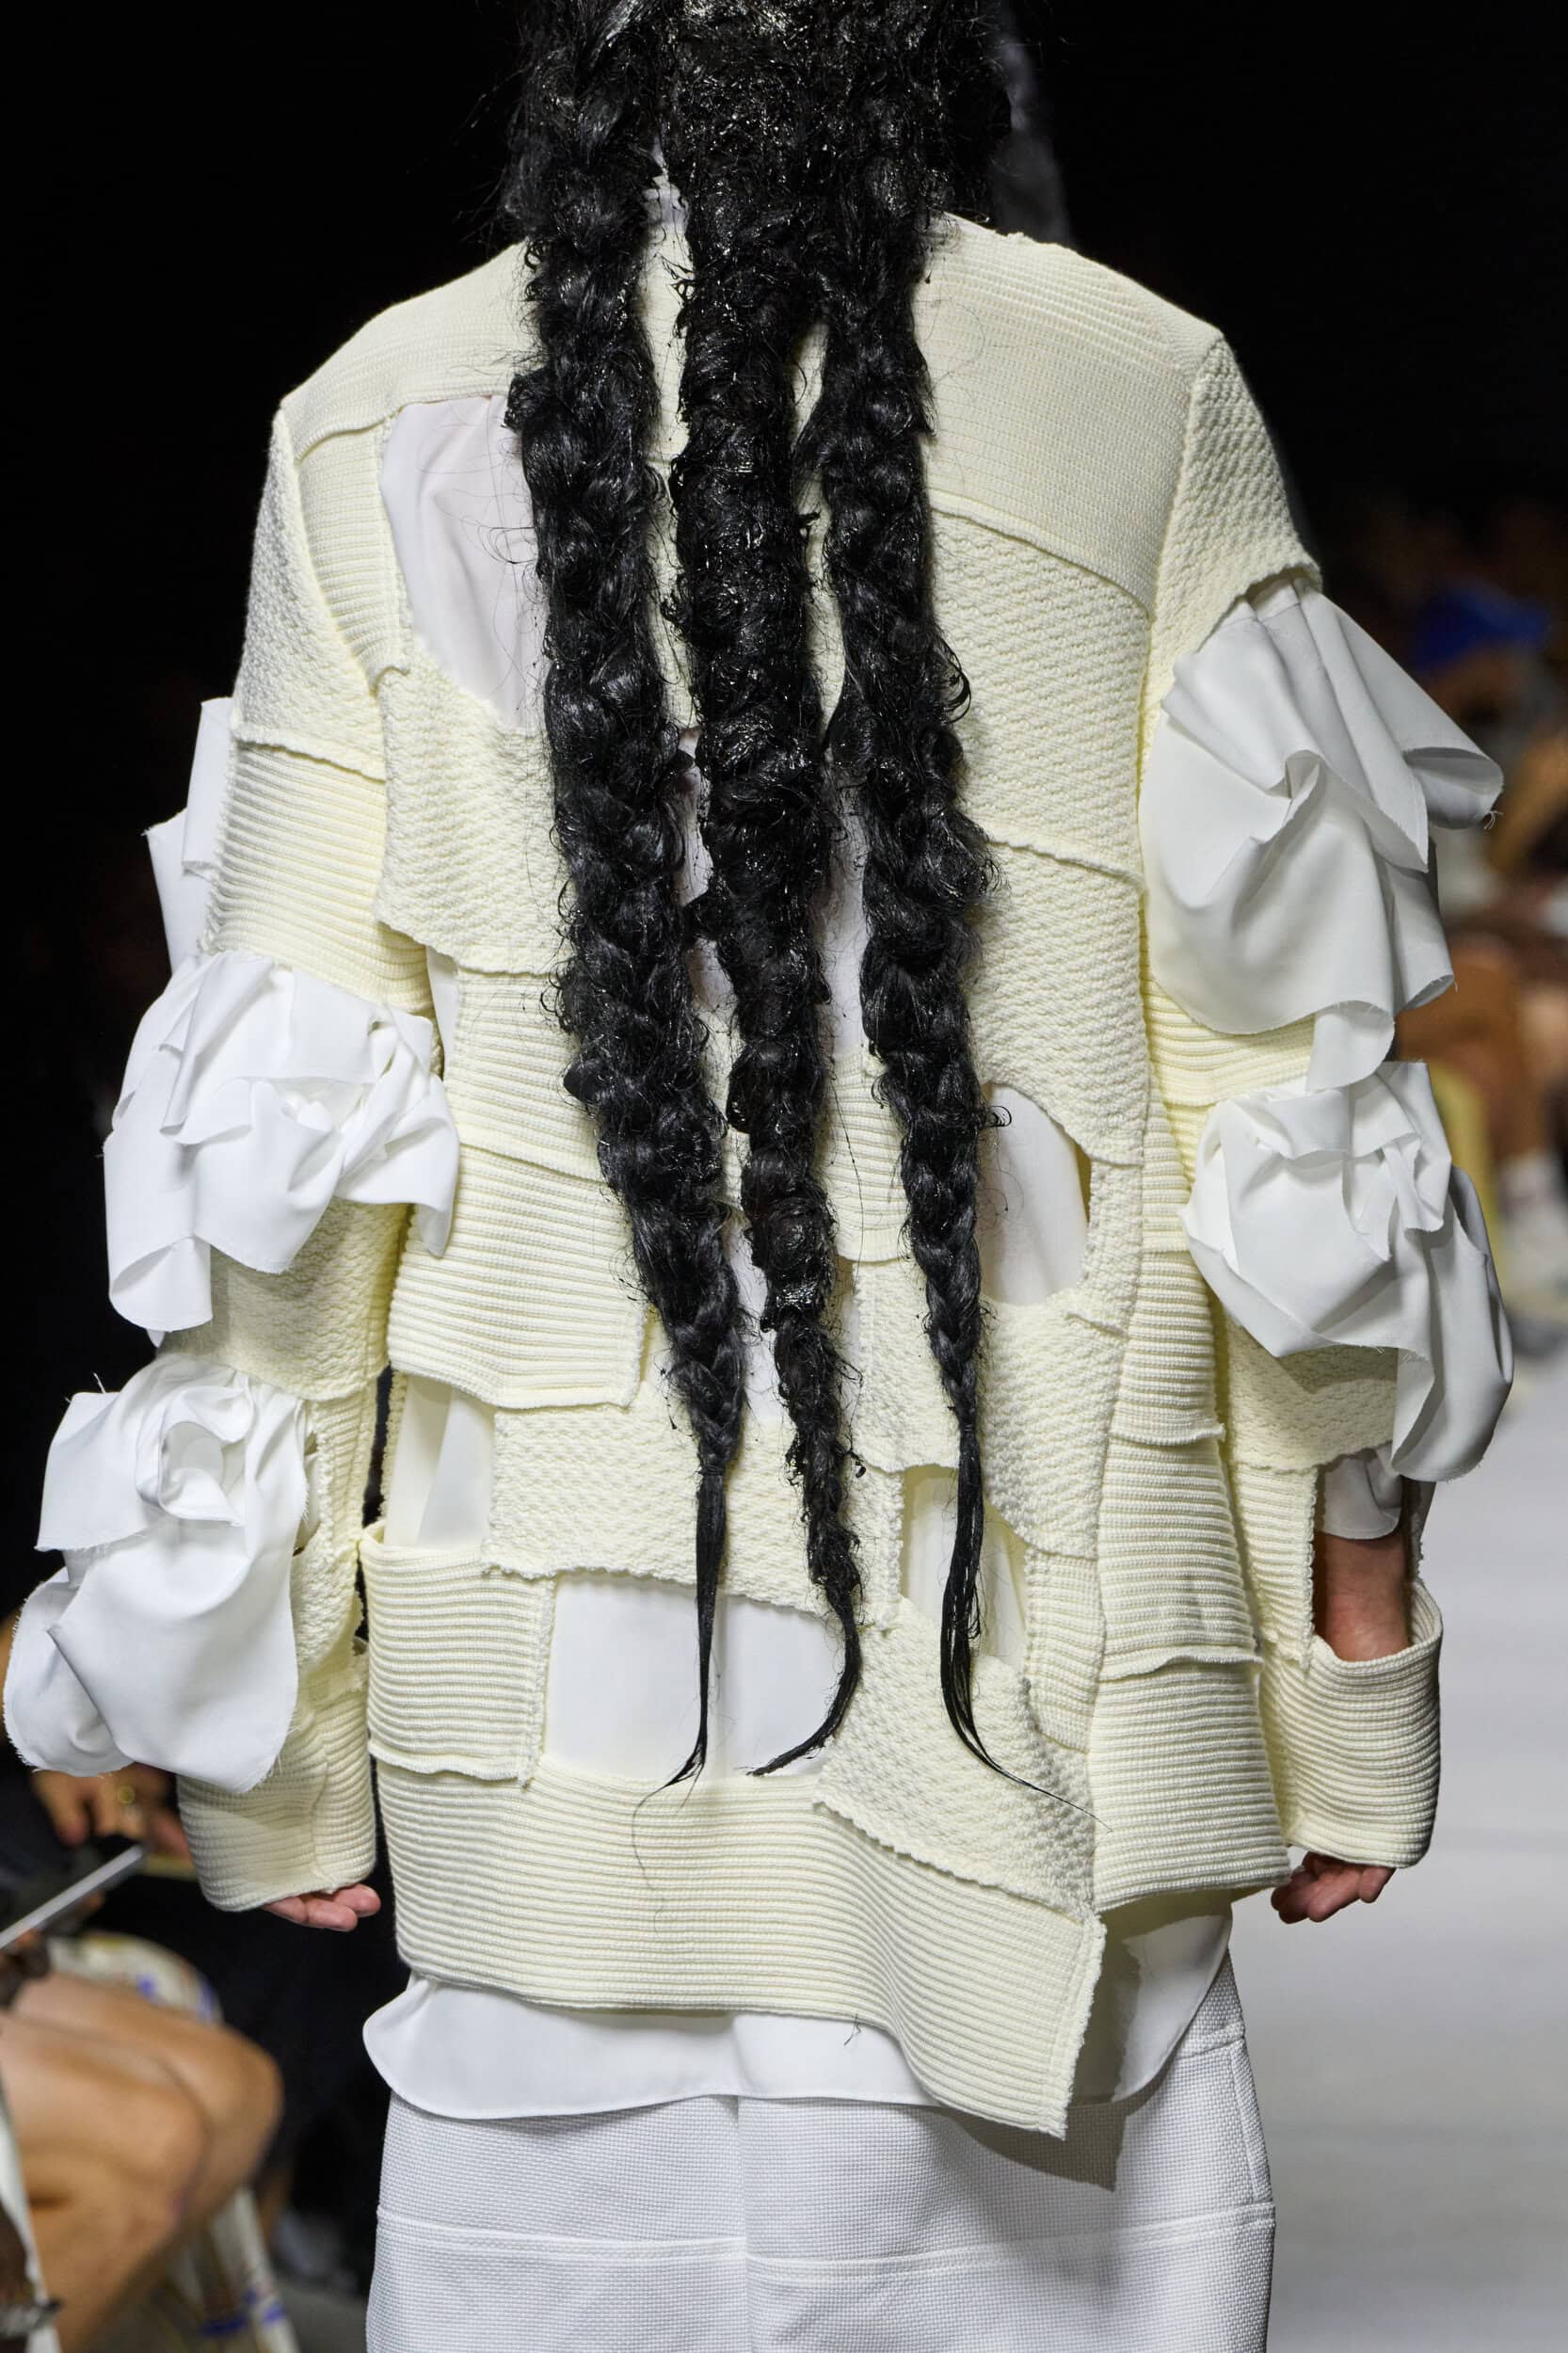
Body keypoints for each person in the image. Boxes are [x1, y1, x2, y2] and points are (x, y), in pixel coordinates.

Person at [6, 4, 1514, 2345]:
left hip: (551, 1847)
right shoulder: (1136, 390)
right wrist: (1346, 1686)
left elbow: (282, 1177)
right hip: (1051, 1801)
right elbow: (1288, 1119)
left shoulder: (371, 417)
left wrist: (276, 1754)